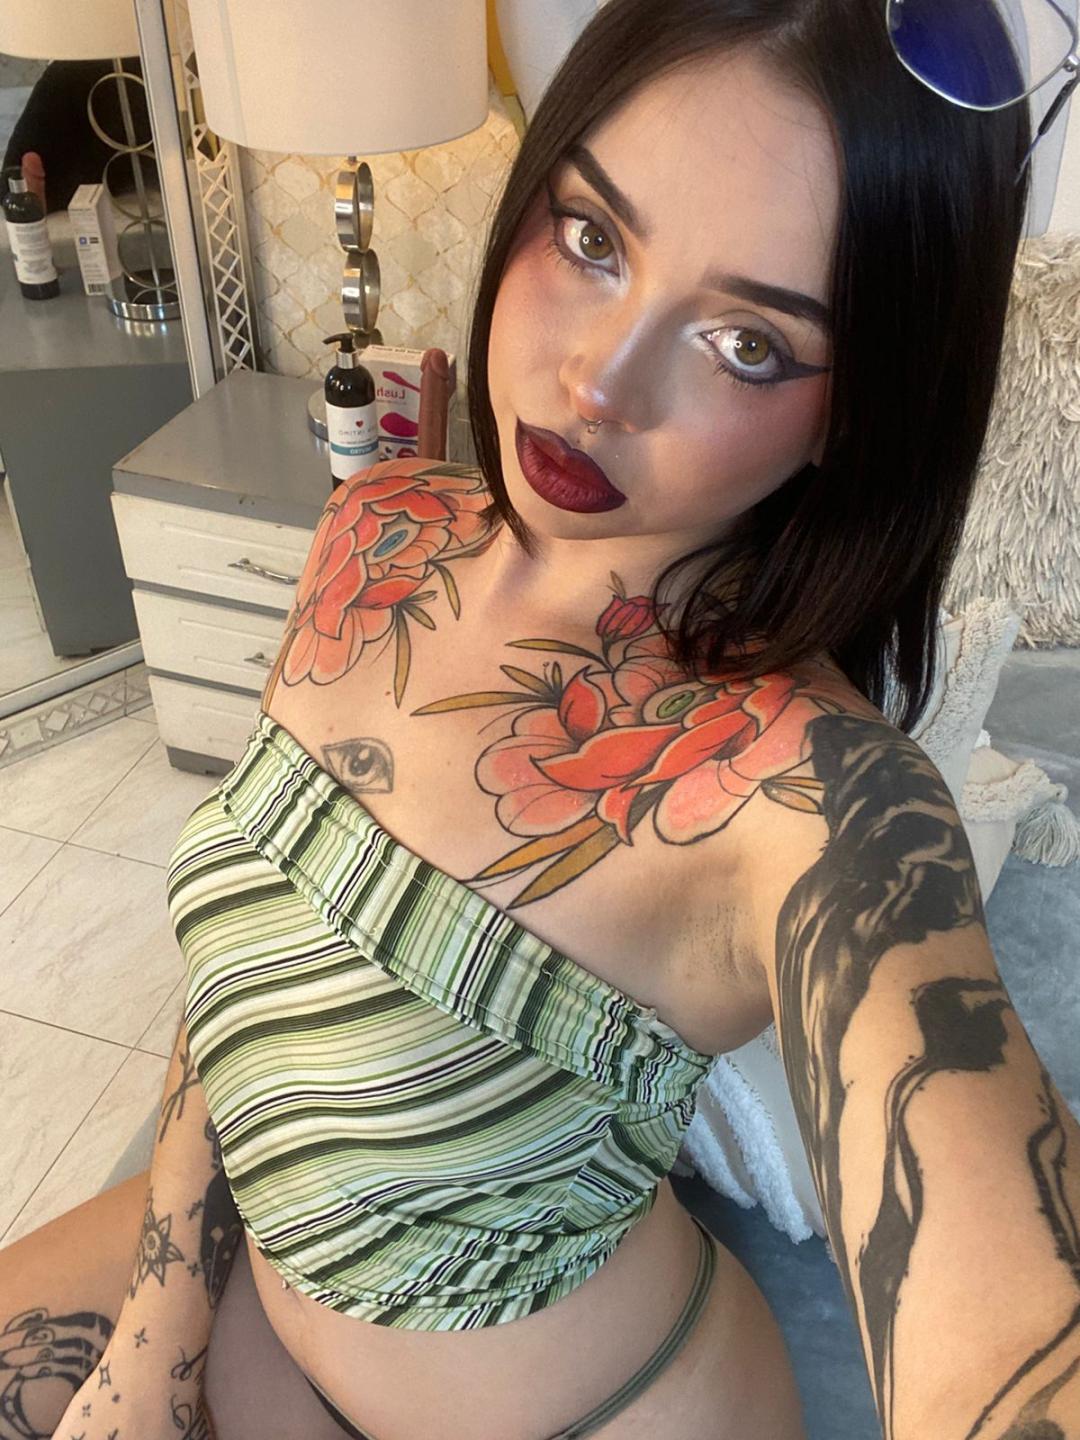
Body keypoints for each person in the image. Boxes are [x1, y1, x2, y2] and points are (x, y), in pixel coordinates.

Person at [5, 1, 1074, 1438]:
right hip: (265, 1312)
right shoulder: (378, 527)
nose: (599, 384)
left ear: (856, 409)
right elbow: (247, 957)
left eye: (748, 342)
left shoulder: (817, 802)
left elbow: (997, 1286)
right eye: (592, 238)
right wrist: (155, 1337)